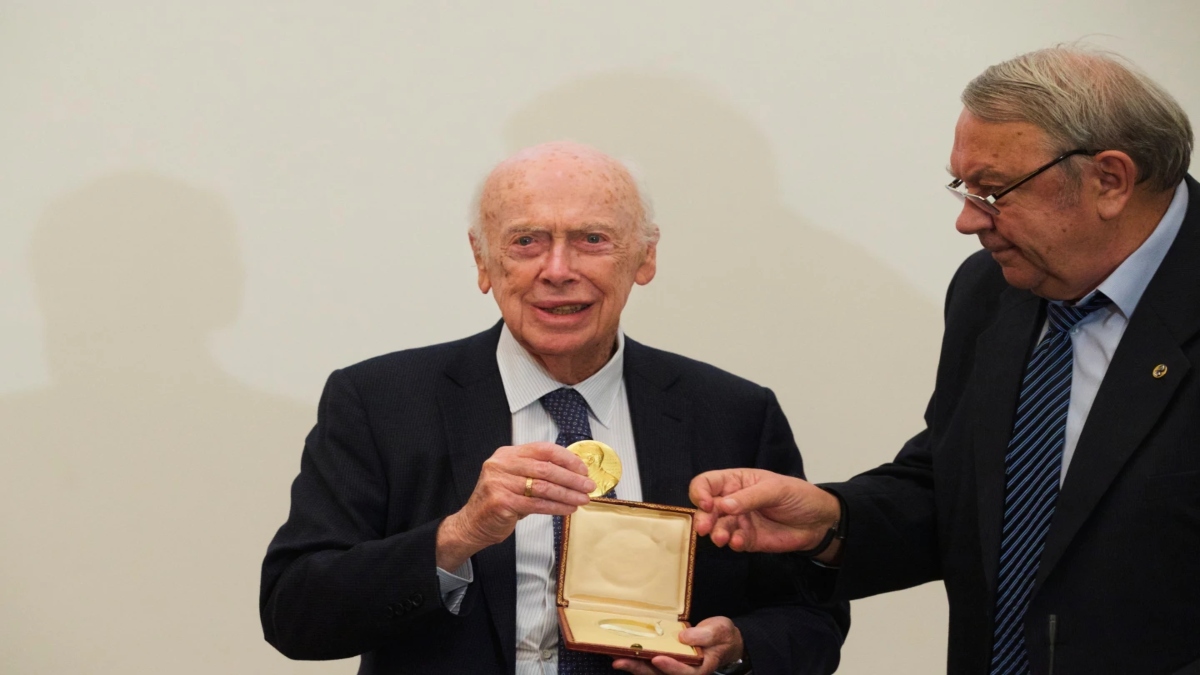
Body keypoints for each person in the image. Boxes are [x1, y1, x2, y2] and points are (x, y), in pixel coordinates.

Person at [690, 46, 1199, 675]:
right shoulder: (992, 291)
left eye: (993, 191)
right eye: (964, 187)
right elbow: (959, 490)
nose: (966, 221)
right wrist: (831, 523)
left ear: (1110, 180)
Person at [260, 141, 848, 675]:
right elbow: (296, 613)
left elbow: (813, 621)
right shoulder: (379, 401)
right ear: (483, 260)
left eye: (592, 240)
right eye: (526, 241)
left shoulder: (733, 412)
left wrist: (736, 647)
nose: (558, 271)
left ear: (644, 257)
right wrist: (459, 535)